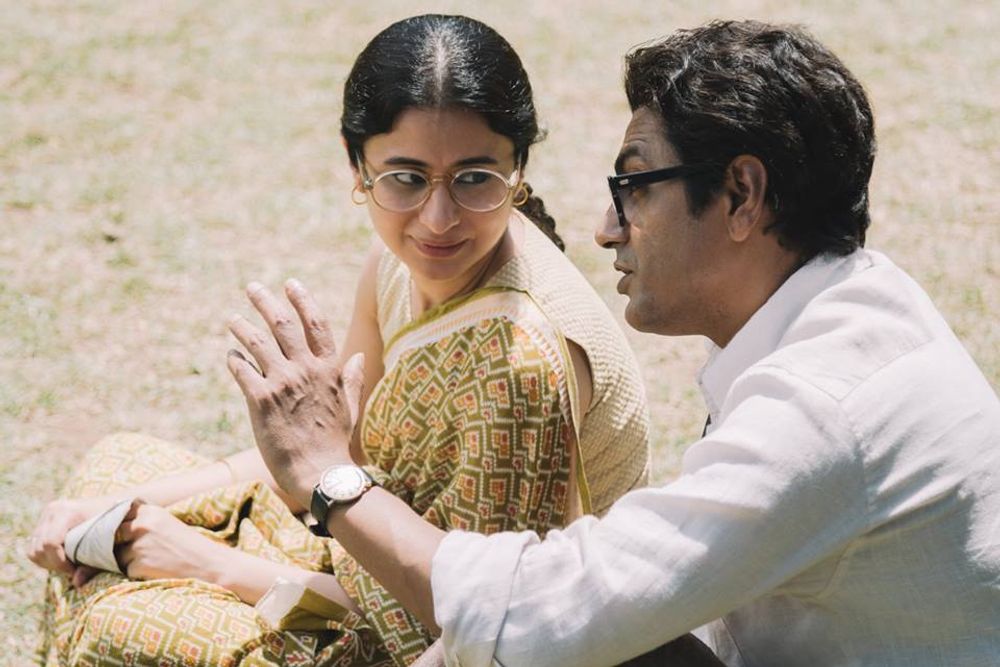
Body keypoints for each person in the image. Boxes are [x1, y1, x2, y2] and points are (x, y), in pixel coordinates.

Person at [229, 19, 1000, 667]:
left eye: (635, 187)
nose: (605, 230)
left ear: (741, 195)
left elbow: (548, 612)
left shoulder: (822, 409)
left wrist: (330, 478)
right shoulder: (851, 308)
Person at [27, 15, 650, 666]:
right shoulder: (402, 263)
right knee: (114, 472)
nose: (438, 219)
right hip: (363, 538)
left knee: (123, 620)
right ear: (358, 168)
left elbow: (478, 622)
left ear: (517, 169)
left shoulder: (522, 365)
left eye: (474, 178)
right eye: (406, 178)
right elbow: (333, 455)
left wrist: (207, 563)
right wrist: (124, 508)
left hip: (460, 635)